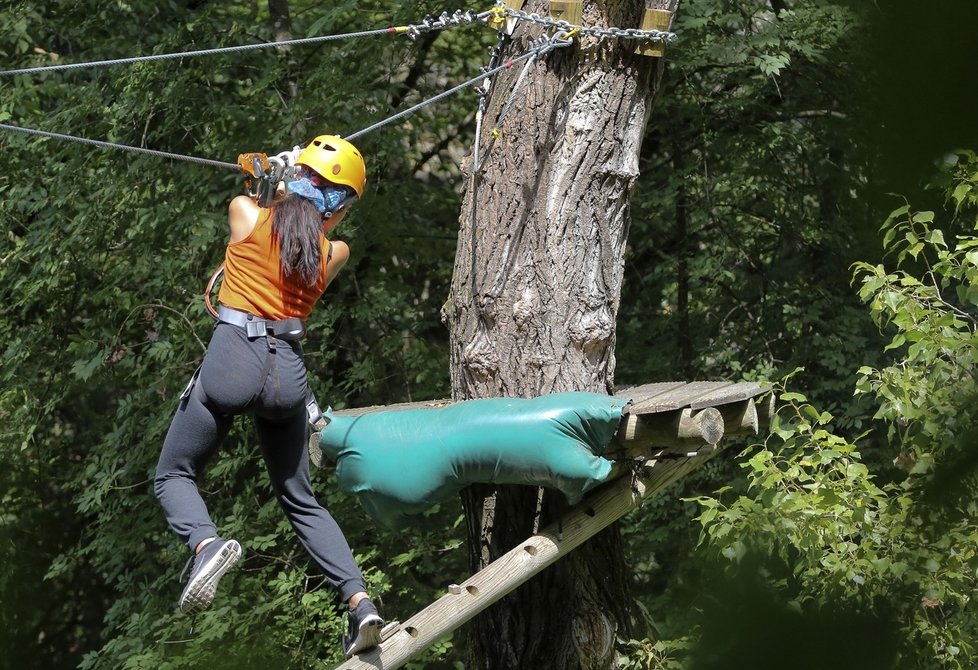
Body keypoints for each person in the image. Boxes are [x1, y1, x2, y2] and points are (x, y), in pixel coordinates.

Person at [154, 135, 384, 658]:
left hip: (232, 361)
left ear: (295, 181)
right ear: (342, 206)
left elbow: (264, 204)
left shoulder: (245, 213)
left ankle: (207, 544)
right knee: (300, 499)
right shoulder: (334, 253)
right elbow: (315, 222)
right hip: (287, 379)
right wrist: (292, 181)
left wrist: (277, 172)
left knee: (173, 474)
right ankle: (361, 603)